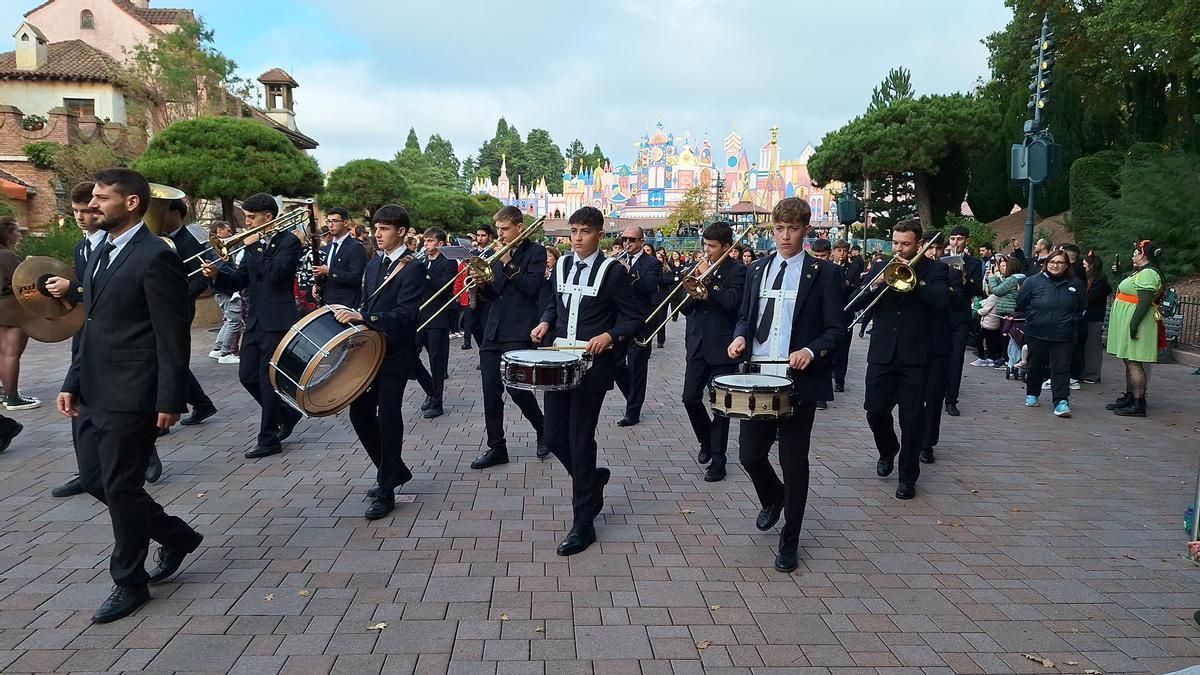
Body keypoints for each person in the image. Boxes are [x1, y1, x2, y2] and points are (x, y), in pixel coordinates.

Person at [56, 168, 202, 623]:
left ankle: (129, 581)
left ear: (132, 203)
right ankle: (176, 534)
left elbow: (172, 334)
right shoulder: (97, 251)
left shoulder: (156, 255)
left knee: (121, 485)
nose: (92, 205)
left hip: (134, 393)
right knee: (97, 481)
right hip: (93, 388)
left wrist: (170, 398)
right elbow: (92, 324)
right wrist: (72, 380)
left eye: (101, 198)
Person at [726, 198, 845, 572]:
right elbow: (746, 316)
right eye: (779, 228)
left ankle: (789, 540)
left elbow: (837, 330)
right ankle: (774, 498)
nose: (785, 236)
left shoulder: (823, 273)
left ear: (806, 230)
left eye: (792, 229)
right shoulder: (758, 268)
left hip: (798, 382)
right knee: (748, 455)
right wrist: (740, 336)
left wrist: (812, 350)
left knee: (793, 462)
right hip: (759, 376)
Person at [531, 206, 642, 556]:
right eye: (573, 231)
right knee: (552, 435)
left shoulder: (613, 272)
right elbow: (554, 304)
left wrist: (610, 335)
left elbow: (634, 318)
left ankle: (584, 524)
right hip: (558, 363)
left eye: (584, 231)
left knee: (580, 441)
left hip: (592, 368)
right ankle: (591, 479)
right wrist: (546, 322)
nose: (577, 238)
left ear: (599, 233)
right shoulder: (561, 264)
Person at [847, 219, 953, 500]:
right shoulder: (882, 266)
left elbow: (942, 302)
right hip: (882, 354)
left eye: (905, 244)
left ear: (918, 244)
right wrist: (877, 282)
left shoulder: (937, 270)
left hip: (916, 357)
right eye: (896, 243)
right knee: (874, 411)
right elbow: (854, 302)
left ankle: (908, 477)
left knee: (912, 419)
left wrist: (912, 280)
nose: (900, 248)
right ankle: (887, 449)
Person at [333, 205, 424, 519]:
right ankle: (393, 469)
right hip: (369, 352)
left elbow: (408, 314)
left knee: (387, 416)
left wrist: (367, 318)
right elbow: (365, 302)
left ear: (401, 231)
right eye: (376, 228)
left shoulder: (412, 266)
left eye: (384, 228)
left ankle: (386, 488)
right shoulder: (373, 265)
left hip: (396, 352)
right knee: (358, 414)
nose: (378, 234)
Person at [201, 193, 304, 459]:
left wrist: (256, 247)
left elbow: (277, 275)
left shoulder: (289, 242)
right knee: (246, 376)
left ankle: (268, 438)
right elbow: (239, 279)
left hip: (278, 320)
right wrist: (216, 275)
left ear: (267, 217)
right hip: (256, 319)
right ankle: (287, 414)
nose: (245, 223)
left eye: (250, 217)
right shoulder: (251, 246)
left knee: (266, 380)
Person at [470, 206, 549, 469]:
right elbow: (494, 295)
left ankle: (543, 428)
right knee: (490, 392)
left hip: (519, 328)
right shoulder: (495, 253)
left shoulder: (535, 251)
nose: (500, 235)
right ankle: (497, 447)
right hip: (494, 329)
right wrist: (482, 284)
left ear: (519, 227)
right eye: (498, 230)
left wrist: (507, 262)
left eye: (504, 229)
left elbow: (531, 287)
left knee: (517, 389)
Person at [45, 182, 108, 498]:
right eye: (76, 212)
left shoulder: (110, 244)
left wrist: (71, 289)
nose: (81, 218)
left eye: (87, 211)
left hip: (110, 337)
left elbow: (104, 291)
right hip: (84, 333)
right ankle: (87, 470)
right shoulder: (82, 246)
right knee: (80, 402)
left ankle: (145, 457)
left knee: (117, 407)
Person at [679, 222, 745, 482]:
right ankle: (706, 441)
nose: (706, 250)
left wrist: (709, 281)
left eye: (712, 246)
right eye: (705, 245)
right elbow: (683, 309)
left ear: (726, 247)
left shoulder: (739, 271)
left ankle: (718, 460)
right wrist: (694, 286)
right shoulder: (697, 268)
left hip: (723, 348)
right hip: (696, 345)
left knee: (721, 407)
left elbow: (731, 304)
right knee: (689, 399)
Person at [159, 199, 218, 435]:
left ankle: (164, 417)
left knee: (170, 360)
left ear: (176, 213)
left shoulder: (188, 240)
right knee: (165, 359)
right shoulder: (161, 238)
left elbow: (200, 280)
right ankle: (202, 404)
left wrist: (177, 299)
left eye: (163, 211)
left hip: (177, 309)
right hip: (162, 308)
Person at [1016, 249, 1084, 417]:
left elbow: (1082, 307)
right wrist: (1033, 316)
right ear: (1046, 264)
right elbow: (1021, 303)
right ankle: (1032, 392)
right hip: (1037, 332)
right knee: (1035, 365)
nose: (1055, 265)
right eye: (1052, 262)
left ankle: (1061, 401)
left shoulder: (1076, 284)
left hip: (1064, 334)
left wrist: (1071, 321)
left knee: (1061, 369)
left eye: (1060, 262)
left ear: (1067, 265)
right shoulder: (1033, 282)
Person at [1105, 240, 1164, 417]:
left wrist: (1133, 324)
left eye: (1135, 253)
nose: (1133, 256)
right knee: (1129, 361)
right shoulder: (1141, 272)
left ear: (1143, 255)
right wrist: (1119, 274)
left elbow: (1144, 301)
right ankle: (1130, 396)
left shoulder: (1149, 274)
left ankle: (1139, 402)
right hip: (1129, 320)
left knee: (1134, 362)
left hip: (1138, 323)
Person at [612, 225, 661, 427]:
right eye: (625, 239)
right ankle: (632, 396)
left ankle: (633, 411)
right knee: (614, 363)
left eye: (632, 240)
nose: (628, 243)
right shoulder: (616, 261)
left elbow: (650, 287)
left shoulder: (652, 263)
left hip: (642, 321)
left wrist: (629, 270)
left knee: (636, 366)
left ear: (641, 242)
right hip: (620, 320)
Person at [919, 238, 957, 465]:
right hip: (908, 344)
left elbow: (948, 301)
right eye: (928, 247)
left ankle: (927, 443)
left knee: (932, 397)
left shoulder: (946, 271)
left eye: (937, 248)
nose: (933, 252)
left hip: (936, 341)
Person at [413, 227, 456, 419]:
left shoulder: (448, 262)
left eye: (430, 241)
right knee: (410, 356)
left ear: (440, 243)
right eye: (425, 241)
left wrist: (424, 274)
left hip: (437, 318)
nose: (425, 244)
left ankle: (437, 402)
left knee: (436, 361)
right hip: (419, 316)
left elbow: (443, 289)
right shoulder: (421, 261)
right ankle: (430, 389)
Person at [941, 225, 984, 417]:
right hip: (940, 314)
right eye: (952, 238)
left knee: (956, 358)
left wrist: (965, 278)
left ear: (966, 240)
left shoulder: (973, 262)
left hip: (960, 316)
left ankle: (951, 400)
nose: (955, 242)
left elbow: (978, 290)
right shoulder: (940, 259)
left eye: (959, 238)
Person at [0, 218, 37, 410]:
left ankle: (6, 393)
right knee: (12, 353)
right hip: (12, 311)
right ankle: (12, 396)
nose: (19, 234)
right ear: (7, 233)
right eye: (16, 231)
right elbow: (23, 283)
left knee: (3, 353)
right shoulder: (6, 255)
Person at [313, 207, 367, 308]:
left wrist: (329, 272)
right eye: (328, 221)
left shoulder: (355, 247)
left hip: (346, 305)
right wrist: (317, 285)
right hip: (327, 303)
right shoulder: (327, 248)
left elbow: (355, 278)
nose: (330, 225)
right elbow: (325, 274)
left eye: (335, 221)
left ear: (345, 223)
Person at [207, 221, 243, 365]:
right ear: (219, 230)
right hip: (225, 290)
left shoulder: (215, 247)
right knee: (234, 320)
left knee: (230, 319)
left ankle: (218, 349)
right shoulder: (213, 247)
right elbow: (222, 269)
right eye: (227, 231)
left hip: (222, 290)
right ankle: (225, 353)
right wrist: (236, 274)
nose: (230, 234)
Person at [831, 240, 862, 393]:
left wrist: (846, 284)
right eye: (838, 250)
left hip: (845, 312)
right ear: (833, 252)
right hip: (830, 312)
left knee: (843, 349)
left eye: (844, 251)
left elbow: (855, 290)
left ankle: (840, 380)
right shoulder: (827, 267)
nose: (841, 254)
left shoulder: (854, 268)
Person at [461, 225, 495, 350]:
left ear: (490, 237)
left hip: (487, 295)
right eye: (478, 235)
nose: (480, 238)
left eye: (483, 235)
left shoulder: (494, 252)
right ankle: (482, 349)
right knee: (474, 326)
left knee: (486, 326)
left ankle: (486, 352)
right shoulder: (472, 253)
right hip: (474, 294)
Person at [1081, 252, 1112, 384]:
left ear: (1092, 266)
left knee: (1092, 346)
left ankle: (1092, 374)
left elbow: (1091, 298)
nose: (1083, 268)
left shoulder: (1100, 283)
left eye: (1085, 265)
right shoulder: (1086, 280)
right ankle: (1083, 371)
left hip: (1094, 317)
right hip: (1084, 317)